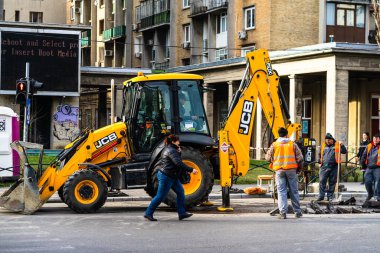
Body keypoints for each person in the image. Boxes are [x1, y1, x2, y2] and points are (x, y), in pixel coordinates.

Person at [144, 134, 198, 221]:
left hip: (172, 176)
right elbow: (178, 163)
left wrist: (179, 152)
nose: (179, 142)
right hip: (166, 176)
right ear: (173, 142)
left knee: (180, 192)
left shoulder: (172, 149)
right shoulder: (171, 150)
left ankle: (181, 213)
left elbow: (176, 161)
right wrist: (191, 170)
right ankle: (148, 213)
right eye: (178, 141)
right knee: (160, 196)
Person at [265, 127, 304, 219]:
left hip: (279, 171)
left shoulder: (274, 145)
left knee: (281, 191)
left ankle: (283, 213)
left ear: (279, 135)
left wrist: (273, 159)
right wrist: (299, 169)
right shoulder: (292, 144)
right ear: (287, 135)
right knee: (293, 190)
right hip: (291, 170)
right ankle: (297, 212)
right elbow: (300, 158)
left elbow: (267, 158)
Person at [318, 133, 347, 201]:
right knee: (322, 181)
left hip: (334, 166)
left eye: (329, 140)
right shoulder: (323, 145)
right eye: (326, 140)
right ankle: (321, 196)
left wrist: (342, 145)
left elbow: (344, 151)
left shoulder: (337, 144)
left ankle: (330, 196)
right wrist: (319, 161)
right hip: (324, 166)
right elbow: (319, 154)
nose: (327, 141)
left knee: (332, 182)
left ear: (332, 140)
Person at [360, 133, 380, 202]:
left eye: (377, 138)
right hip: (369, 167)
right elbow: (364, 156)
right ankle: (370, 194)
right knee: (367, 182)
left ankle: (377, 196)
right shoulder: (369, 146)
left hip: (378, 168)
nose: (375, 140)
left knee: (377, 183)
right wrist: (362, 166)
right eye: (374, 138)